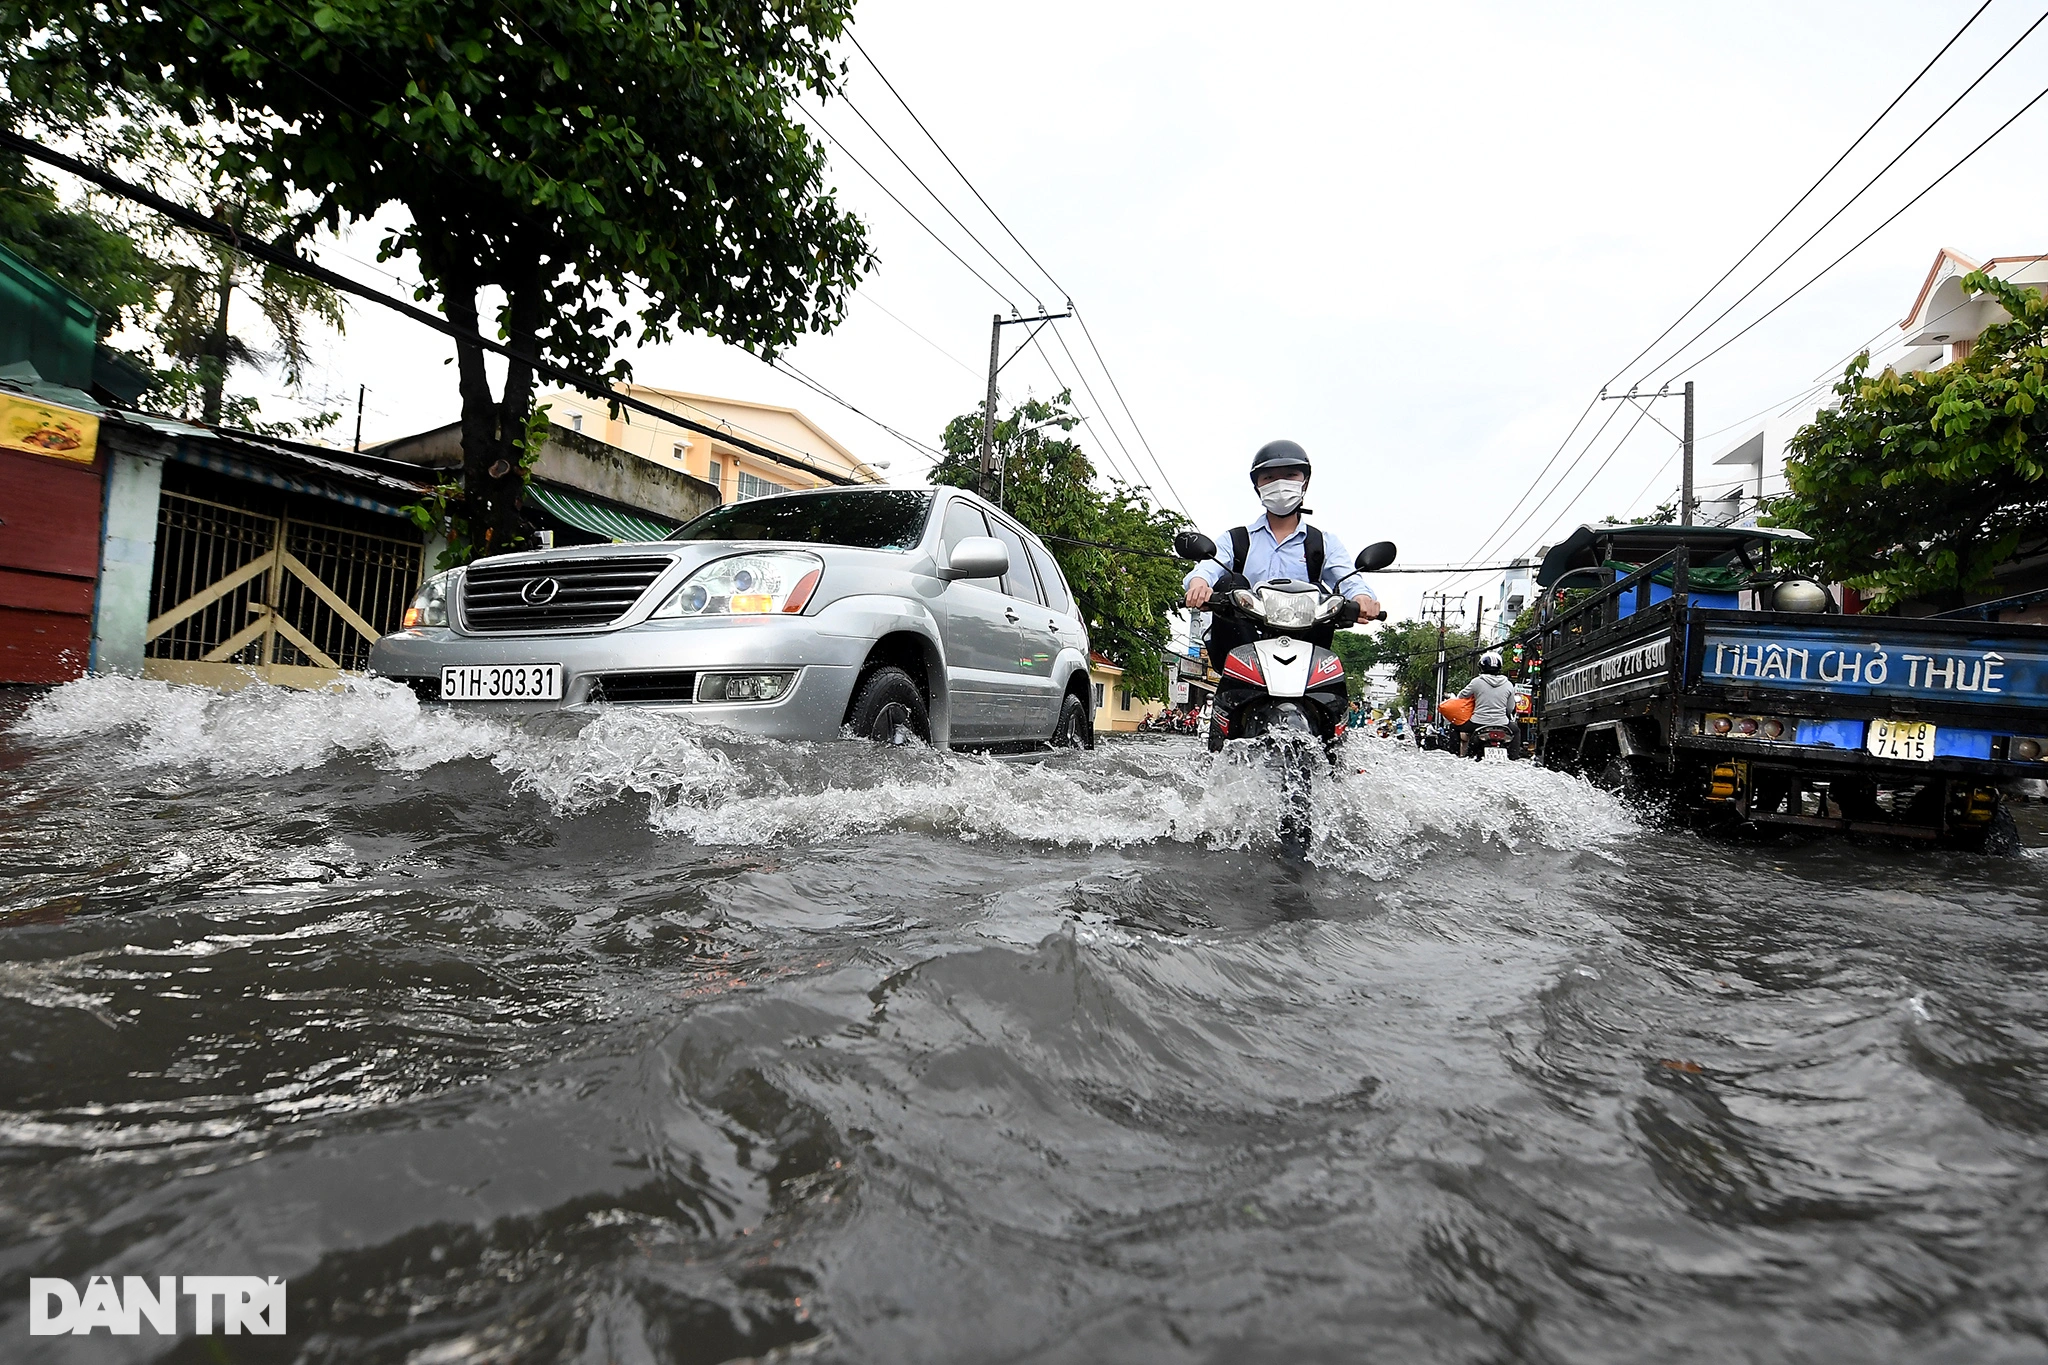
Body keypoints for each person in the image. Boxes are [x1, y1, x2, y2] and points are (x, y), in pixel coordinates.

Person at [1182, 439, 1383, 665]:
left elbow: (1349, 578)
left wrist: (1363, 598)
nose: (1279, 484)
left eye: (1289, 476)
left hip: (1306, 654)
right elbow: (1209, 566)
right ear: (1257, 486)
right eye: (1269, 477)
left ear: (1304, 483)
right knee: (1231, 581)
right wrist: (1198, 584)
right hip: (1241, 654)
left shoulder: (1323, 543)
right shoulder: (1236, 539)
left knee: (1319, 590)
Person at [1455, 651, 1521, 759]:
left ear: (1481, 667)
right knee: (1516, 731)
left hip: (1477, 722)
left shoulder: (1476, 682)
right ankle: (1514, 758)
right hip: (1502, 723)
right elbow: (1510, 709)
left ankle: (1454, 756)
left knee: (1454, 726)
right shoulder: (1508, 684)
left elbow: (1461, 697)